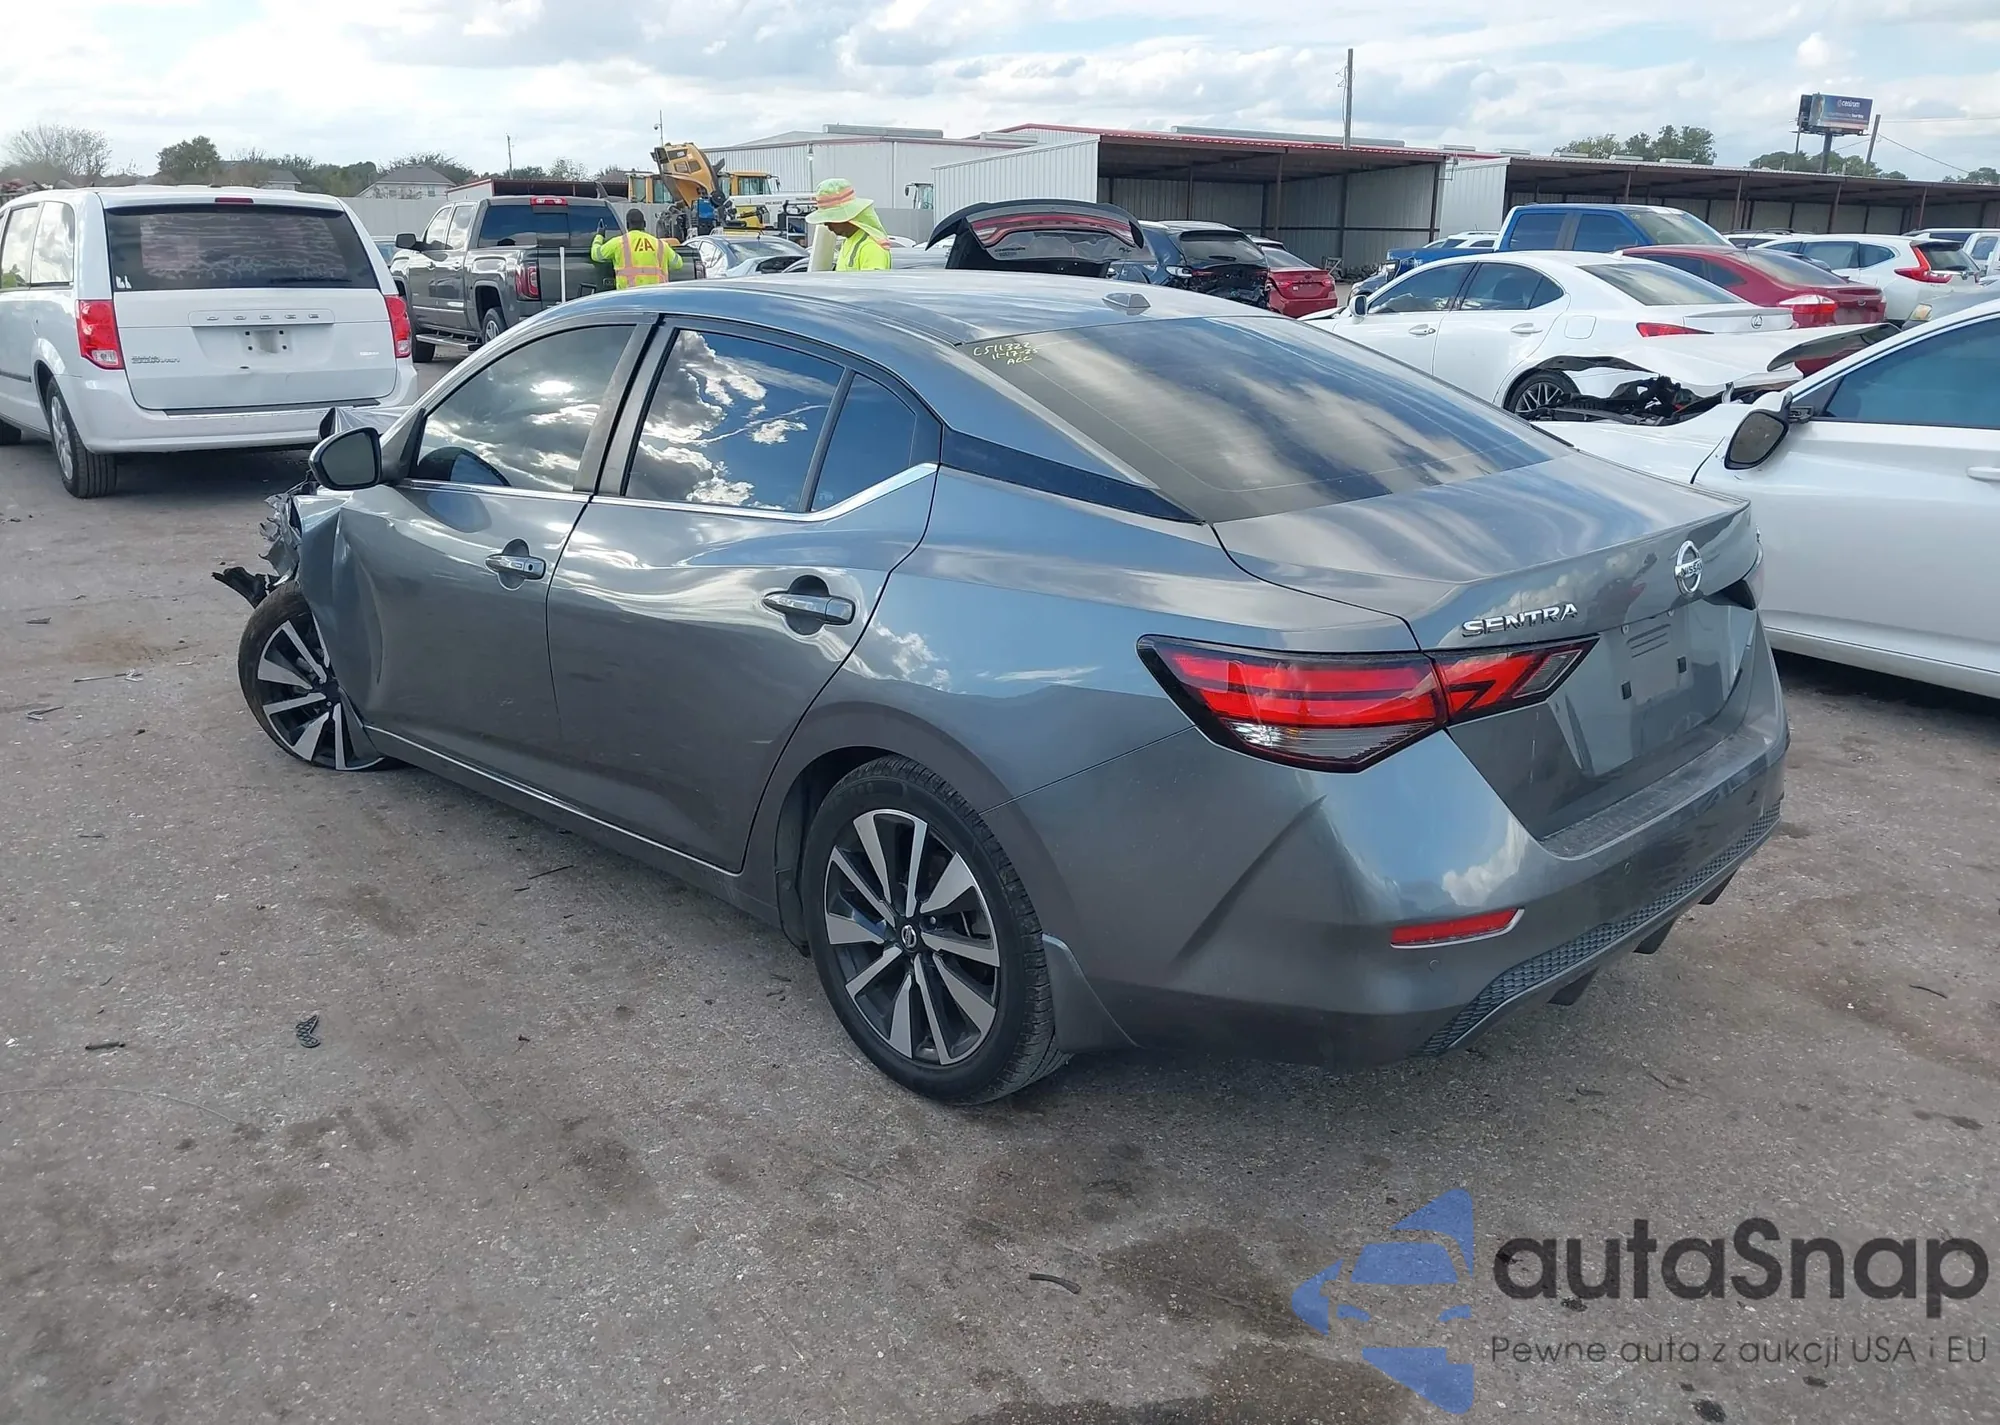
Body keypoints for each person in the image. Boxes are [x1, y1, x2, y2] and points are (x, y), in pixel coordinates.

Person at [804, 178, 892, 271]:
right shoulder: (848, 241)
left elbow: (873, 280)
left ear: (848, 216)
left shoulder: (871, 247)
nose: (826, 224)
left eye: (831, 219)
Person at [589, 212, 682, 289]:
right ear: (644, 224)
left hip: (630, 298)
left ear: (627, 225)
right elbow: (678, 264)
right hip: (656, 297)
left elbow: (596, 254)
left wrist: (599, 236)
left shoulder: (618, 243)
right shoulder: (660, 244)